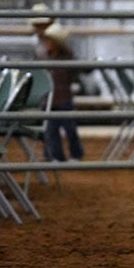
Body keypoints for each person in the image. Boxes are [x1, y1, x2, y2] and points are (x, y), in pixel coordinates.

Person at [38, 21, 85, 162]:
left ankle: (75, 154)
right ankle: (57, 156)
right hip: (51, 100)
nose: (47, 43)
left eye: (49, 41)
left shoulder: (65, 58)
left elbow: (79, 71)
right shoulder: (46, 57)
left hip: (62, 99)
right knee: (52, 131)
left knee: (70, 129)